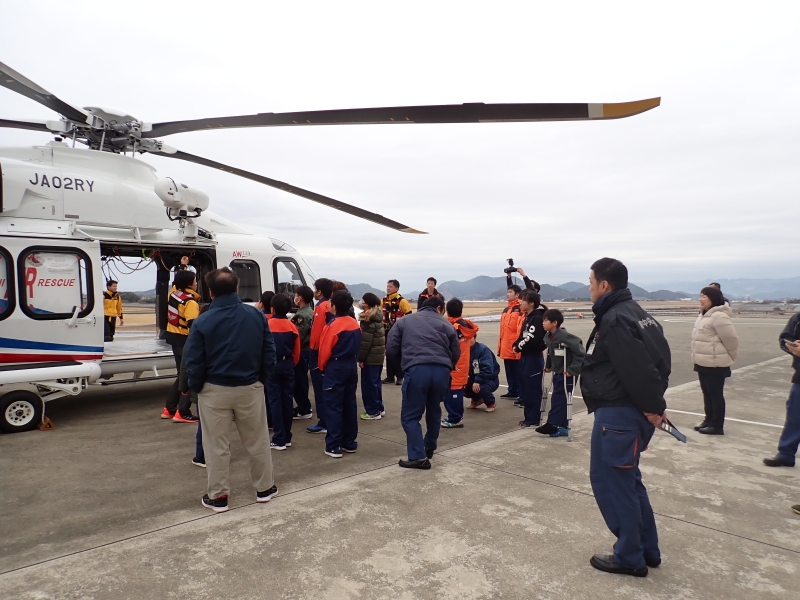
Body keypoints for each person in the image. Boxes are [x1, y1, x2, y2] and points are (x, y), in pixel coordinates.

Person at [580, 257, 671, 577]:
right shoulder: (639, 314)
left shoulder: (615, 319)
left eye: (591, 283)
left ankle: (630, 555)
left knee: (611, 482)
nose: (589, 289)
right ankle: (647, 548)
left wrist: (652, 406)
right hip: (630, 412)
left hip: (618, 415)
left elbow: (637, 369)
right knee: (630, 482)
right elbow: (661, 362)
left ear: (605, 285)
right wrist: (655, 405)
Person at [184, 267, 277, 512]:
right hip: (249, 387)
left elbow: (193, 360)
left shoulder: (203, 320)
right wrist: (261, 380)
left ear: (210, 292)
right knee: (257, 440)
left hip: (214, 390)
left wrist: (197, 387)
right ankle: (264, 488)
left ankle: (218, 496)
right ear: (236, 289)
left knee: (216, 446)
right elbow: (269, 352)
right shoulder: (256, 316)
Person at [387, 296, 460, 470]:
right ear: (439, 308)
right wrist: (447, 365)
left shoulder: (404, 321)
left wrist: (403, 367)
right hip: (442, 371)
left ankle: (418, 456)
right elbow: (456, 350)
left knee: (411, 416)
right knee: (434, 409)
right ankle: (429, 446)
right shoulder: (446, 324)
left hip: (417, 370)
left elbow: (391, 348)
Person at [318, 290, 362, 458]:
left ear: (334, 306)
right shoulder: (354, 323)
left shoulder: (332, 325)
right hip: (351, 364)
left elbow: (324, 351)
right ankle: (349, 441)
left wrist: (322, 368)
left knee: (333, 405)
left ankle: (334, 445)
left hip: (336, 366)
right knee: (349, 404)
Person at [691, 287, 739, 435]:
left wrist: (730, 356)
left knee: (715, 394)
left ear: (714, 298)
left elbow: (731, 340)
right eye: (700, 296)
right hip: (702, 362)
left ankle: (717, 425)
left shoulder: (719, 316)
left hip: (715, 363)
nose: (701, 299)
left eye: (704, 296)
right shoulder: (703, 315)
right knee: (707, 393)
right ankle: (708, 420)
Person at [161, 270, 201, 423]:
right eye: (195, 280)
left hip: (173, 339)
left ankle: (169, 409)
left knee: (180, 376)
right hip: (185, 341)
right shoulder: (190, 302)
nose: (196, 283)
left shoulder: (173, 294)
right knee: (190, 376)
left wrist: (183, 268)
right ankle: (182, 411)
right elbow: (193, 326)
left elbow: (175, 284)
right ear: (189, 284)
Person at [538, 309, 585, 436]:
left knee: (560, 398)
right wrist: (548, 366)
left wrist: (573, 369)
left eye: (546, 320)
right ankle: (562, 426)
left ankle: (552, 424)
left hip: (568, 373)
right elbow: (550, 353)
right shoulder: (548, 337)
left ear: (554, 323)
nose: (543, 323)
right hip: (558, 371)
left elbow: (580, 353)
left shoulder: (565, 336)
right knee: (559, 398)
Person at [763, 312, 800, 467]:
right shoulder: (798, 318)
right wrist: (793, 347)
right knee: (794, 416)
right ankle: (785, 454)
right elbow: (784, 338)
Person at [266, 293, 301, 450]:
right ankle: (287, 436)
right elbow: (297, 351)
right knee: (287, 400)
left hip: (272, 365)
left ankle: (279, 437)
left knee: (275, 400)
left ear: (272, 308)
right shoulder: (292, 326)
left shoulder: (266, 325)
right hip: (288, 364)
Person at [442, 298, 479, 427]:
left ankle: (455, 419)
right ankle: (454, 416)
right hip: (462, 364)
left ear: (448, 311)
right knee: (454, 391)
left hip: (453, 364)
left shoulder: (452, 327)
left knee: (453, 393)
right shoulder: (465, 326)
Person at [514, 290, 548, 426]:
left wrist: (518, 347)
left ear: (531, 303)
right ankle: (528, 417)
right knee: (526, 388)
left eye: (523, 300)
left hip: (533, 358)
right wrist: (515, 344)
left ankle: (533, 419)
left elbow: (531, 338)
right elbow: (522, 336)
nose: (520, 302)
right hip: (525, 357)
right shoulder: (528, 317)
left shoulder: (537, 318)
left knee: (533, 389)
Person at [307, 278, 334, 435]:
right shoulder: (327, 306)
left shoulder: (322, 307)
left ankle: (324, 421)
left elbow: (321, 332)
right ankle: (325, 420)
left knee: (320, 389)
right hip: (320, 351)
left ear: (319, 291)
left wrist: (316, 351)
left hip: (318, 352)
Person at [357, 292, 386, 420]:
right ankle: (379, 407)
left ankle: (373, 411)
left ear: (367, 304)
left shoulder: (368, 319)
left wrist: (361, 358)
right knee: (375, 384)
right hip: (378, 357)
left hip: (370, 357)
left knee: (369, 385)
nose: (361, 302)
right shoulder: (378, 316)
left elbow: (365, 343)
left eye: (362, 300)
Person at [382, 279, 412, 385]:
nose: (388, 288)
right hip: (386, 330)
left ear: (396, 288)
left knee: (397, 353)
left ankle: (400, 376)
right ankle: (390, 376)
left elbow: (409, 316)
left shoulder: (402, 301)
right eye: (387, 286)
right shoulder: (384, 301)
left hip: (399, 332)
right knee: (388, 353)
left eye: (390, 286)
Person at [497, 284, 525, 400]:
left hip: (515, 346)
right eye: (507, 291)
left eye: (510, 292)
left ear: (517, 295)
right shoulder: (506, 309)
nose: (507, 294)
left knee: (518, 372)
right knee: (509, 371)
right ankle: (512, 390)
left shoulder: (521, 308)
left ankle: (520, 392)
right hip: (505, 346)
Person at [292, 285, 315, 420]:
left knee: (299, 380)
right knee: (301, 380)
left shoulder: (302, 314)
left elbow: (298, 336)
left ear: (299, 298)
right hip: (306, 351)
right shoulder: (309, 311)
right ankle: (304, 406)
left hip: (301, 351)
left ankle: (304, 409)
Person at [464, 334, 500, 416]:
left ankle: (491, 402)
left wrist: (478, 381)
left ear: (475, 338)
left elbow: (488, 369)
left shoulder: (482, 350)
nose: (468, 340)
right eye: (465, 338)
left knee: (481, 388)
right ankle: (476, 399)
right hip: (474, 378)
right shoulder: (463, 350)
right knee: (461, 386)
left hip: (489, 379)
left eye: (470, 338)